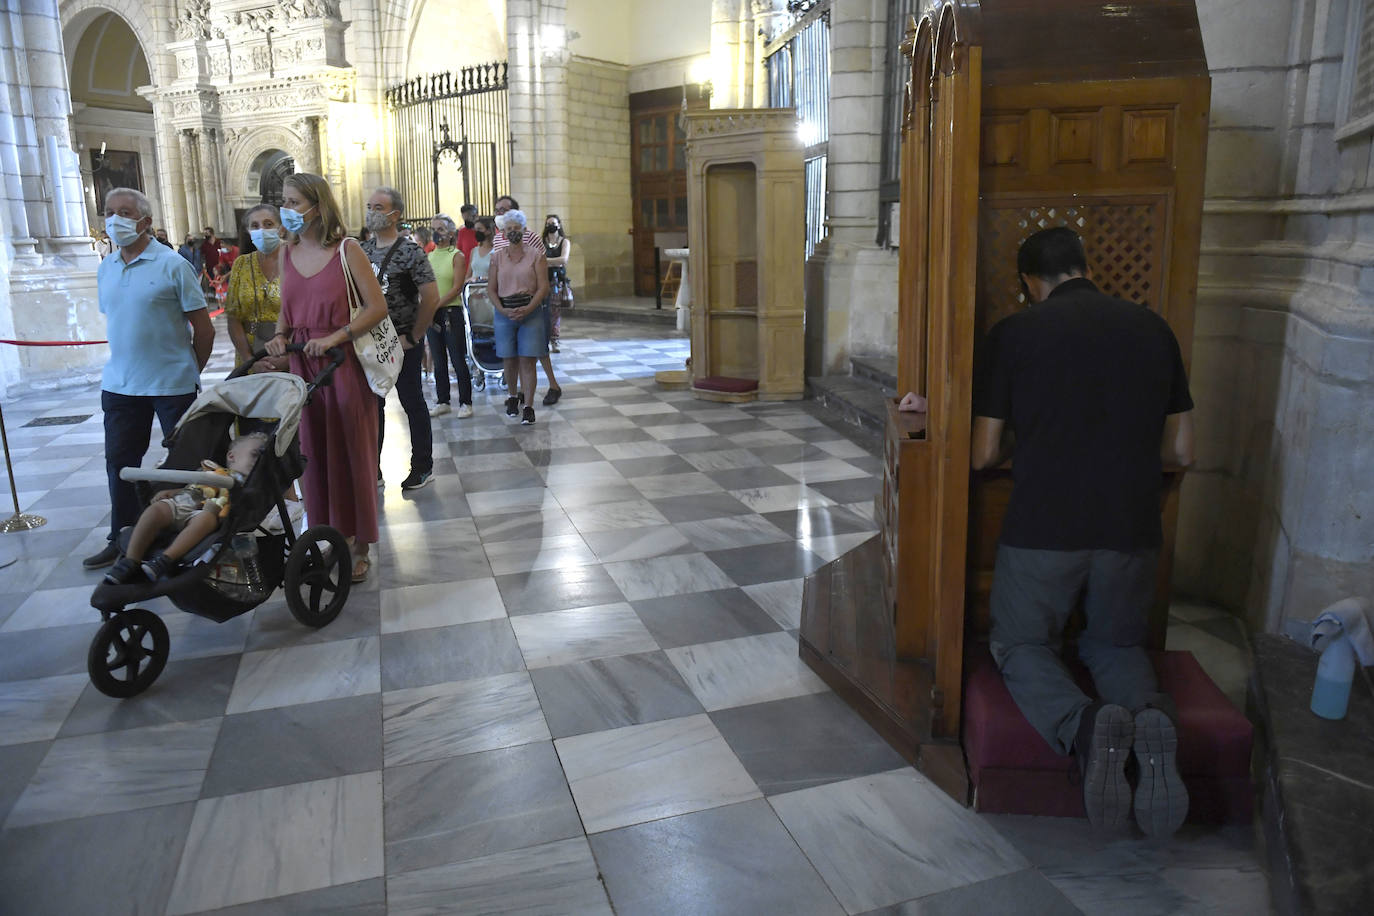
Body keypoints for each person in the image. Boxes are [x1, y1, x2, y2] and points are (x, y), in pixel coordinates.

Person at [962, 226, 1195, 838]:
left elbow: (983, 453)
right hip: (1132, 525)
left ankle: (1085, 728)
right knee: (1115, 645)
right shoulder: (1153, 328)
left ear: (1029, 283)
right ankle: (1148, 722)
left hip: (1045, 525)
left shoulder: (1014, 334)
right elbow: (1185, 448)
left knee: (1022, 645)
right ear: (1086, 267)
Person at [265, 172, 390, 583]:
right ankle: (328, 535)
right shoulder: (287, 253)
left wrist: (338, 336)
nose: (287, 210)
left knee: (351, 453)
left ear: (318, 207)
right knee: (314, 455)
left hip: (344, 364)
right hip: (304, 365)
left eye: (295, 202)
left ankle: (360, 545)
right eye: (284, 201)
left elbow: (376, 307)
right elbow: (287, 308)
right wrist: (280, 337)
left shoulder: (347, 250)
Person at [83, 188, 215, 570]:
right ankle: (123, 537)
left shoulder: (173, 264)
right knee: (120, 463)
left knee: (187, 462)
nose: (115, 219)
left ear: (145, 221)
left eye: (124, 212)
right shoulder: (106, 267)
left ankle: (192, 537)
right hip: (121, 385)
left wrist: (192, 370)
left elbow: (203, 330)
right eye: (109, 212)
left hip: (172, 384)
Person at [104, 432, 269, 584]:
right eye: (255, 455)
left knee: (205, 519)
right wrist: (172, 492)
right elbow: (194, 487)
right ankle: (130, 560)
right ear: (231, 456)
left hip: (206, 512)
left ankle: (165, 560)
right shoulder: (212, 471)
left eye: (263, 459)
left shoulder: (247, 483)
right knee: (154, 511)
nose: (258, 461)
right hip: (183, 502)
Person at [361, 186, 440, 490]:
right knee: (372, 406)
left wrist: (414, 336)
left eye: (378, 207)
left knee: (412, 402)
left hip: (403, 339)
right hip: (370, 342)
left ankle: (422, 466)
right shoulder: (361, 251)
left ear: (395, 214)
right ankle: (372, 470)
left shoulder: (410, 251)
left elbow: (430, 297)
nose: (371, 212)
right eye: (369, 206)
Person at [494, 195, 563, 404]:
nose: (500, 213)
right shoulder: (499, 236)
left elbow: (538, 262)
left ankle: (553, 385)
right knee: (516, 351)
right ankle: (521, 393)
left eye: (504, 209)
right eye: (497, 210)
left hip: (532, 297)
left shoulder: (530, 237)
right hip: (508, 300)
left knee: (536, 348)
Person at [487, 209, 549, 425]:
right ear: (503, 233)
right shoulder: (496, 258)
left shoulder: (536, 255)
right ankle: (512, 397)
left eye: (517, 228)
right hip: (505, 311)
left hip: (530, 311)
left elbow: (543, 287)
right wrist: (502, 310)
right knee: (509, 358)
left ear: (524, 230)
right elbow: (491, 289)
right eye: (509, 229)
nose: (513, 232)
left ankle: (529, 406)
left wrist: (530, 307)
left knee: (528, 359)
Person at [224, 204, 288, 373]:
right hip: (249, 353)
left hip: (289, 350)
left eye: (268, 224)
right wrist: (249, 360)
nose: (261, 230)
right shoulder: (242, 264)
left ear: (281, 228)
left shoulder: (296, 259)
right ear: (248, 231)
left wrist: (290, 358)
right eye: (255, 226)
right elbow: (233, 317)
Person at [425, 213, 473, 419]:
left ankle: (465, 402)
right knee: (437, 358)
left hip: (450, 312)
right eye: (434, 229)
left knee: (457, 358)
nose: (437, 233)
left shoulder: (457, 256)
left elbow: (456, 288)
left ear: (451, 233)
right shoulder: (429, 256)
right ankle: (443, 400)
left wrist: (436, 304)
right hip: (431, 312)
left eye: (441, 229)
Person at [542, 214, 571, 356]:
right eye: (548, 223)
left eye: (553, 223)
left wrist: (545, 261)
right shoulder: (542, 242)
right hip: (542, 280)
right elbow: (536, 259)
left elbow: (563, 260)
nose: (551, 226)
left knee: (555, 311)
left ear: (559, 225)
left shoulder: (564, 242)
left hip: (556, 281)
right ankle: (544, 339)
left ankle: (555, 339)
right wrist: (553, 261)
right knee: (542, 311)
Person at [467, 216, 495, 281]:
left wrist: (480, 279)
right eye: (475, 229)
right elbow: (469, 274)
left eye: (479, 229)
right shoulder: (474, 251)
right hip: (473, 289)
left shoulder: (496, 251)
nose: (477, 232)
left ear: (488, 231)